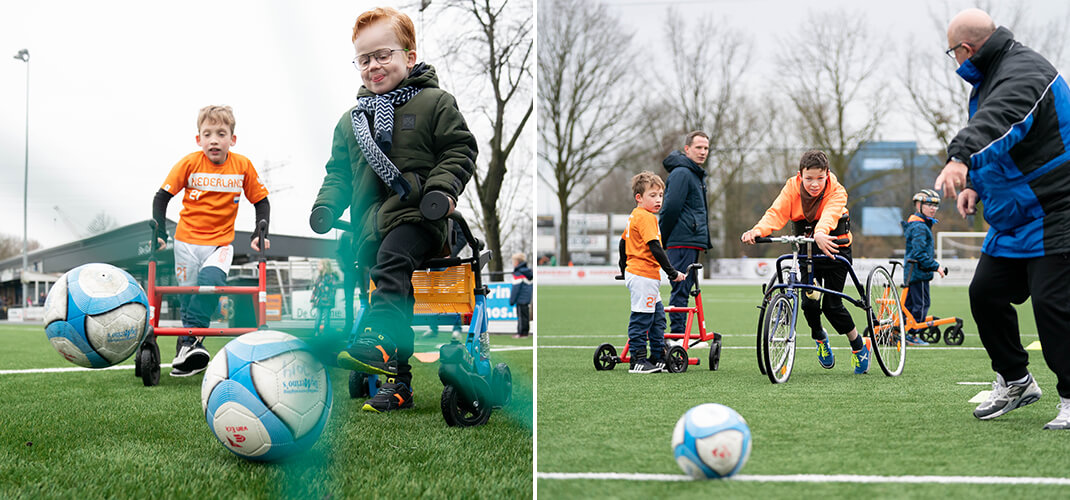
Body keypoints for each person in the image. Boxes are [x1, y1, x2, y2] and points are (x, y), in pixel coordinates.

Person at [312, 6, 477, 413]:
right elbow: (339, 174)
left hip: (423, 216)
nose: (374, 65)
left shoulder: (435, 102)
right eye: (365, 59)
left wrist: (441, 190)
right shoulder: (352, 122)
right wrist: (327, 206)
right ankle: (398, 384)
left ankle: (379, 339)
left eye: (384, 54)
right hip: (373, 224)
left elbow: (460, 149)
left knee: (391, 263)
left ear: (409, 56)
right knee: (391, 290)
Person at [934, 8, 1070, 429]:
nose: (955, 61)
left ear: (966, 49)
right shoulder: (994, 73)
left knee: (1053, 305)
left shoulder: (1025, 71)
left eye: (952, 53)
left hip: (1056, 211)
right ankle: (1017, 381)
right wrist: (976, 182)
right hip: (1015, 221)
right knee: (986, 294)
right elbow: (1011, 145)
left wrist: (959, 158)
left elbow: (1000, 121)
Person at [152, 105, 270, 377]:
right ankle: (187, 348)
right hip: (186, 243)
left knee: (212, 283)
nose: (214, 140)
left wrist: (258, 233)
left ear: (233, 139)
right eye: (207, 134)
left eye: (221, 133)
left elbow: (261, 201)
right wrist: (159, 233)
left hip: (219, 244)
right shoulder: (189, 163)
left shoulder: (242, 165)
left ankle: (189, 343)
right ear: (199, 140)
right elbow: (161, 197)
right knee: (189, 296)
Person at [741, 150, 870, 375]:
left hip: (835, 248)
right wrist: (757, 230)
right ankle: (820, 337)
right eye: (809, 178)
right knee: (809, 304)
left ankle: (858, 345)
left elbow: (830, 215)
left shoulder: (837, 191)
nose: (814, 184)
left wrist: (820, 232)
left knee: (832, 306)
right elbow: (776, 213)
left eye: (820, 178)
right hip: (806, 248)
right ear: (800, 175)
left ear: (827, 175)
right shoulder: (791, 187)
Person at [618, 171, 686, 374]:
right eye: (653, 195)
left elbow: (623, 243)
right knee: (641, 318)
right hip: (643, 275)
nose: (658, 200)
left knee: (657, 318)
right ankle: (637, 360)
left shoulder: (635, 216)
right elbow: (655, 247)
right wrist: (672, 272)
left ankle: (657, 357)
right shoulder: (646, 217)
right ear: (639, 198)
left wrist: (623, 269)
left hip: (643, 275)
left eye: (660, 195)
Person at [659, 131, 712, 334]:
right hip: (681, 240)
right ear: (687, 149)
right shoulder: (682, 173)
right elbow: (670, 208)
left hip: (690, 240)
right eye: (698, 147)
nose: (703, 152)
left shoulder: (694, 173)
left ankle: (682, 334)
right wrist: (661, 238)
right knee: (680, 288)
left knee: (685, 288)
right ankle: (678, 335)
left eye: (706, 148)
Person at [901, 189, 947, 347]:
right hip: (918, 273)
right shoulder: (920, 227)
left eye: (936, 206)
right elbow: (919, 254)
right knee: (921, 305)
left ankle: (900, 332)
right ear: (919, 205)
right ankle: (912, 335)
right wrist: (937, 266)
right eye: (929, 205)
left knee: (909, 306)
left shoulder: (919, 224)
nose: (933, 209)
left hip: (913, 272)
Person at [312, 260, 339, 336]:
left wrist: (330, 298)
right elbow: (315, 289)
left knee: (326, 317)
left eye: (320, 265)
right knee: (318, 317)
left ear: (325, 266)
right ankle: (316, 331)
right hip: (320, 301)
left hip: (327, 301)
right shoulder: (319, 277)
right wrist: (313, 300)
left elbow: (333, 289)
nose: (318, 267)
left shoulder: (330, 277)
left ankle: (325, 332)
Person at [509, 252, 533, 339]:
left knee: (520, 316)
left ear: (517, 262)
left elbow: (516, 288)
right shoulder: (528, 272)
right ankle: (525, 332)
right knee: (525, 316)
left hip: (520, 298)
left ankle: (521, 333)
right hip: (527, 298)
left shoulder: (518, 273)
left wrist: (512, 300)